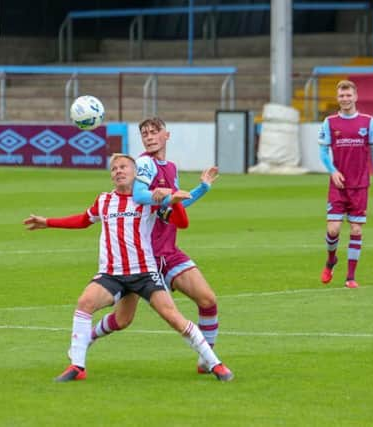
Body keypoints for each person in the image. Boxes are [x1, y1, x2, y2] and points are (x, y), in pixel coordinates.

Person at [23, 154, 233, 382]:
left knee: (172, 316)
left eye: (123, 167)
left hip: (144, 272)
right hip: (112, 274)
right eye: (114, 169)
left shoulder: (148, 201)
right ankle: (77, 367)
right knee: (86, 303)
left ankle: (215, 364)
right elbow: (84, 220)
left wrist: (172, 201)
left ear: (135, 173)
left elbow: (182, 223)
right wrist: (48, 222)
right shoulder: (104, 200)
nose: (118, 172)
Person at [90, 117, 222, 374]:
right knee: (122, 319)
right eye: (145, 134)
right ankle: (88, 337)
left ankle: (207, 361)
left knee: (207, 300)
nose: (149, 137)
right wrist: (166, 196)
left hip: (169, 251)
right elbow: (140, 196)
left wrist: (202, 188)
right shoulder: (144, 164)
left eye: (154, 132)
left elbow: (176, 204)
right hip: (143, 255)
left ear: (166, 135)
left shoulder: (170, 167)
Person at [318, 79, 373, 289]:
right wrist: (333, 171)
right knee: (333, 229)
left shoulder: (368, 121)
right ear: (337, 98)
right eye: (341, 96)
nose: (345, 99)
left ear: (355, 96)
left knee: (356, 230)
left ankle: (350, 277)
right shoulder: (330, 122)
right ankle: (331, 260)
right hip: (338, 186)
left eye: (348, 95)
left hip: (359, 185)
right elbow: (322, 151)